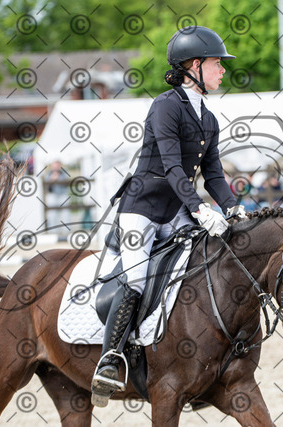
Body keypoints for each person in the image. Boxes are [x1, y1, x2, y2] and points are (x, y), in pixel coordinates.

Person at [90, 26, 246, 406]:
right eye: (217, 63)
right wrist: (200, 209)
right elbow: (173, 167)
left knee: (207, 260)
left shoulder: (208, 118)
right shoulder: (165, 106)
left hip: (176, 210)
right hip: (142, 209)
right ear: (194, 66)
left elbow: (213, 174)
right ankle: (110, 360)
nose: (223, 70)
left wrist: (232, 207)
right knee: (137, 279)